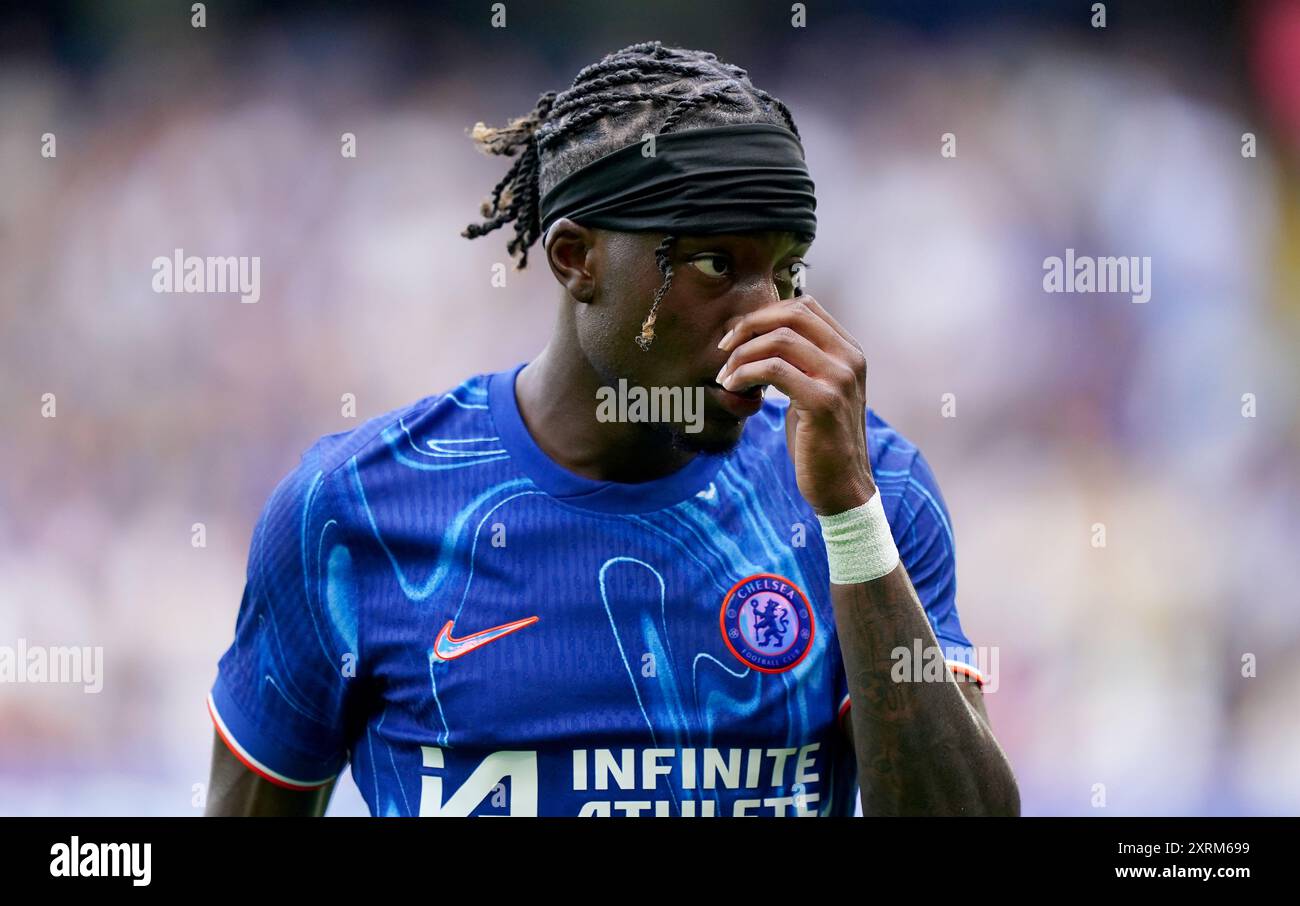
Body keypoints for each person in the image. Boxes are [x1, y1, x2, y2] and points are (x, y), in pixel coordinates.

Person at [204, 41, 1018, 816]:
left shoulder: (868, 491)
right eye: (714, 266)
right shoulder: (351, 514)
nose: (769, 321)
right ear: (574, 258)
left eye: (786, 272)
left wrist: (849, 515)